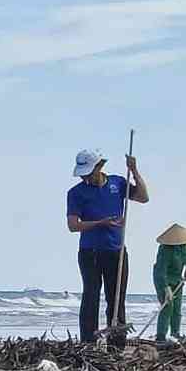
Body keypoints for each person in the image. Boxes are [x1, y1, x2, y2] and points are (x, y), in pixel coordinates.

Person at [66, 149, 150, 348]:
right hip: (90, 252)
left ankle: (117, 344)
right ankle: (88, 342)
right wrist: (100, 223)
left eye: (89, 172)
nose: (86, 177)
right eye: (83, 174)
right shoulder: (75, 193)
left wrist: (134, 170)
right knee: (91, 296)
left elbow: (143, 197)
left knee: (116, 298)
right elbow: (73, 225)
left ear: (100, 166)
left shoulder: (117, 183)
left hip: (116, 251)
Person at [151, 223, 186, 346]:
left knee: (177, 307)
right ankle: (160, 336)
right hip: (162, 278)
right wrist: (166, 289)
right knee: (167, 306)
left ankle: (175, 334)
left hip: (177, 278)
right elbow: (161, 271)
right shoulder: (165, 249)